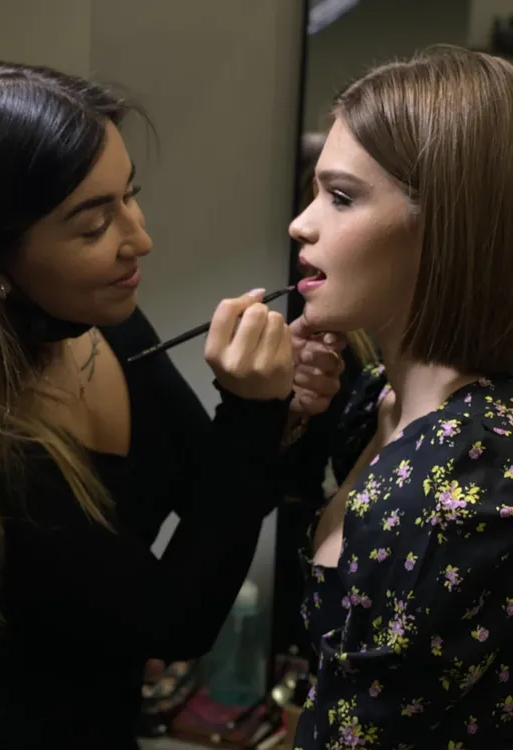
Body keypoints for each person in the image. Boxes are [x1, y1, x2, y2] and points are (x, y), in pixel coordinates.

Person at [0, 61, 344, 748]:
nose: (138, 238)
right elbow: (174, 621)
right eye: (93, 227)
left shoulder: (97, 322)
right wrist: (252, 411)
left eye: (129, 196)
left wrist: (285, 408)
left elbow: (211, 492)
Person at [289, 45, 513, 748]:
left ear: (445, 223)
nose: (302, 224)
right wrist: (286, 419)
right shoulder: (376, 400)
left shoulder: (461, 478)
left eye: (341, 197)